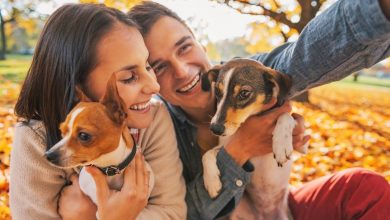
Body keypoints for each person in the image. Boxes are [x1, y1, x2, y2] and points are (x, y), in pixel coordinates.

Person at [126, 0, 390, 219]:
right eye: (159, 66)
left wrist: (377, 9)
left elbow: (306, 55)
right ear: (148, 77)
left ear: (200, 44)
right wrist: (240, 149)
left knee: (365, 188)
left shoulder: (247, 74)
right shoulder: (156, 128)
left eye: (184, 47)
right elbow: (183, 213)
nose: (182, 71)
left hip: (282, 204)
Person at [10, 3, 186, 220]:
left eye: (147, 65)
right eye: (129, 77)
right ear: (77, 91)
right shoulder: (36, 139)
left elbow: (172, 212)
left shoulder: (153, 117)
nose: (154, 87)